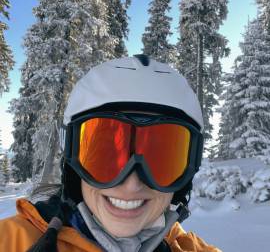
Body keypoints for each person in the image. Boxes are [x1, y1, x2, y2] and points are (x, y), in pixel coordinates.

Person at [0, 55, 220, 252]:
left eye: (160, 159)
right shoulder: (10, 242)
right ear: (73, 166)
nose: (132, 184)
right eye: (107, 156)